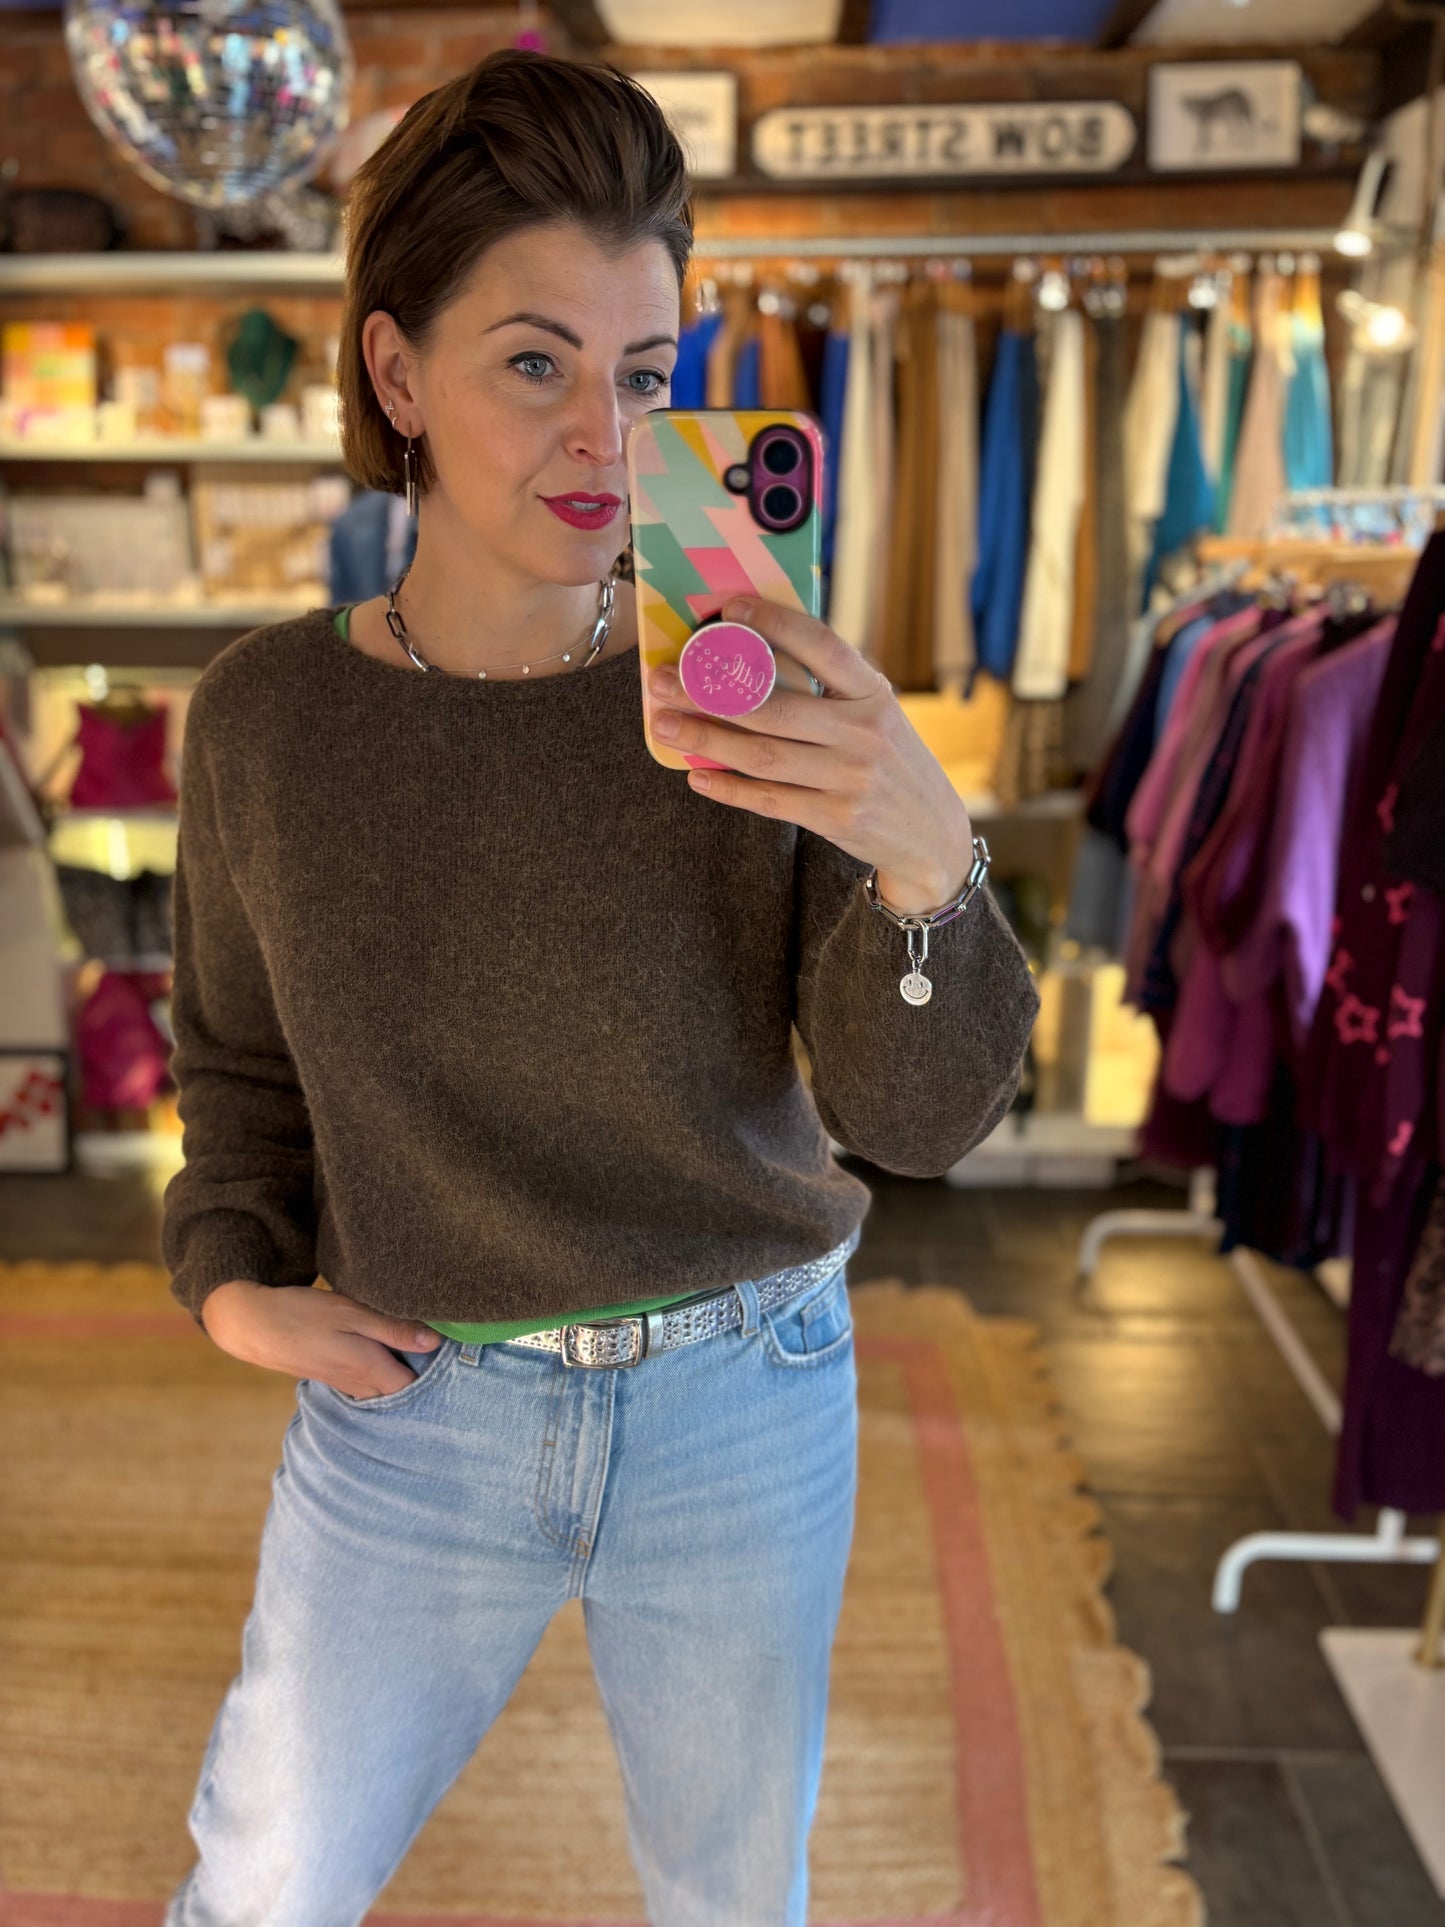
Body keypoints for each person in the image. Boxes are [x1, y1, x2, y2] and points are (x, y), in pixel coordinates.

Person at [160, 48, 1040, 1927]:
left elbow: (920, 1124)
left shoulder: (754, 688)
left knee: (732, 1898)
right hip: (416, 1411)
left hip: (744, 1391)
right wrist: (232, 1284)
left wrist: (919, 860)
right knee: (259, 1884)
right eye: (534, 362)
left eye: (644, 379)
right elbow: (234, 1065)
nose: (601, 440)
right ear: (397, 373)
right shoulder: (264, 724)